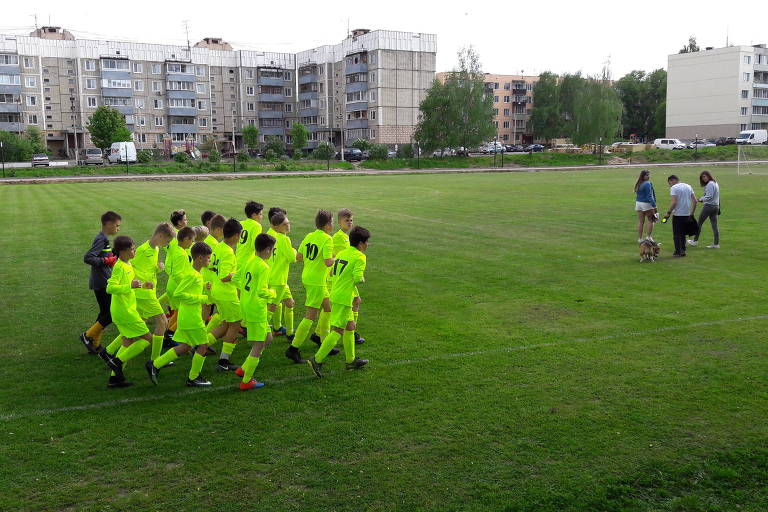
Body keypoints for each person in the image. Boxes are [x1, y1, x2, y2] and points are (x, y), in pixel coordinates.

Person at [146, 242, 215, 387]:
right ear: (200, 258)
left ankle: (155, 364)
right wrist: (201, 298)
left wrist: (204, 287)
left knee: (185, 347)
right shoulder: (192, 275)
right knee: (203, 345)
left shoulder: (196, 273)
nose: (210, 260)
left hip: (186, 316)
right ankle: (193, 377)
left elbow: (190, 290)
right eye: (208, 258)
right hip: (192, 317)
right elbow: (179, 294)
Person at [308, 226, 371, 378]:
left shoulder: (343, 252)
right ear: (361, 244)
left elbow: (332, 271)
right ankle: (316, 360)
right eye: (367, 242)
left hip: (336, 293)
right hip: (343, 298)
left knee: (350, 326)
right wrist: (362, 278)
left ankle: (351, 361)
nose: (368, 245)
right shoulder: (360, 257)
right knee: (337, 330)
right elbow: (357, 278)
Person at [285, 210, 339, 364]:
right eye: (332, 222)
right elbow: (328, 262)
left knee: (328, 308)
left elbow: (299, 256)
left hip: (308, 277)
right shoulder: (327, 239)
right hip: (316, 280)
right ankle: (293, 348)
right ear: (328, 225)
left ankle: (323, 342)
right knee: (310, 315)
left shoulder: (309, 236)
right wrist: (339, 258)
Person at [102, 236, 155, 388]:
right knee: (147, 339)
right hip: (125, 312)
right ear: (123, 251)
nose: (135, 250)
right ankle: (115, 362)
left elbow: (130, 285)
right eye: (132, 248)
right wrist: (129, 285)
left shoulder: (127, 263)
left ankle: (114, 379)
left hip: (125, 309)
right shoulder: (119, 267)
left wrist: (144, 285)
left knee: (127, 343)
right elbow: (110, 288)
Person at [233, 233, 277, 391]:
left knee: (268, 338)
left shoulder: (249, 260)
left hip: (246, 305)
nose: (272, 253)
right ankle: (246, 381)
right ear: (266, 250)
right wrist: (273, 293)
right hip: (256, 309)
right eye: (272, 250)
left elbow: (236, 278)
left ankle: (243, 369)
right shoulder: (263, 266)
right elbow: (262, 292)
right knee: (259, 345)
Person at [131, 222, 175, 361]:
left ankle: (110, 351)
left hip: (149, 293)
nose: (167, 243)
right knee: (163, 322)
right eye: (167, 240)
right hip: (143, 294)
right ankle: (155, 360)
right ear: (160, 235)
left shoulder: (155, 249)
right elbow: (128, 267)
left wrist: (158, 267)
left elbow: (149, 269)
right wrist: (137, 283)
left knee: (135, 324)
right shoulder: (142, 250)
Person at [80, 211, 121, 354]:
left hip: (103, 281)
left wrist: (111, 257)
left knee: (104, 313)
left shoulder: (104, 239)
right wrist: (106, 261)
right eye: (117, 225)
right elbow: (88, 257)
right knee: (110, 314)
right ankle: (87, 336)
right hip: (101, 282)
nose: (118, 228)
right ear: (108, 224)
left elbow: (104, 256)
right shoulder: (101, 239)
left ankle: (95, 345)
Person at [209, 218, 244, 371]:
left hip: (217, 291)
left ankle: (200, 346)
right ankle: (224, 361)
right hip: (226, 294)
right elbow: (224, 276)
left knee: (225, 325)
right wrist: (238, 274)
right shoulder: (229, 252)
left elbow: (211, 266)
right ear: (236, 235)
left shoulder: (219, 247)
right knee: (235, 325)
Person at [332, 208, 365, 345]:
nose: (350, 223)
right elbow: (332, 256)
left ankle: (351, 331)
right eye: (347, 221)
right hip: (341, 278)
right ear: (339, 222)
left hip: (346, 276)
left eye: (351, 220)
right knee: (331, 311)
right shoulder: (337, 238)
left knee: (356, 301)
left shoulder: (347, 237)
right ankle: (349, 332)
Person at [266, 212, 297, 340]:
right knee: (271, 308)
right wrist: (294, 251)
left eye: (288, 223)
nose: (288, 225)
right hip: (279, 281)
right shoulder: (284, 239)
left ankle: (290, 333)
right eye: (285, 224)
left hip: (276, 279)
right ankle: (259, 330)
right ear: (277, 227)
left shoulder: (272, 237)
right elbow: (292, 258)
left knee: (290, 303)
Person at [663, 175, 697, 257]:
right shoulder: (688, 186)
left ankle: (678, 251)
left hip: (678, 214)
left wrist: (668, 213)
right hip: (687, 214)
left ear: (672, 181)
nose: (670, 185)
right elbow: (695, 201)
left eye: (669, 183)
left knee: (677, 234)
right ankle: (683, 250)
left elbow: (674, 202)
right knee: (683, 233)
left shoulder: (674, 188)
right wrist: (692, 213)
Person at [689, 170, 721, 249]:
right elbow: (717, 196)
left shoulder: (710, 184)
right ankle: (716, 244)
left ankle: (695, 241)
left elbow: (709, 196)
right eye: (702, 177)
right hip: (715, 206)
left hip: (709, 207)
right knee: (715, 226)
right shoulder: (715, 183)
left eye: (704, 176)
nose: (703, 179)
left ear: (708, 175)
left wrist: (700, 199)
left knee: (699, 223)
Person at [236, 201, 263, 269]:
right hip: (248, 262)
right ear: (254, 215)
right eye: (260, 214)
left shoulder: (241, 223)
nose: (262, 216)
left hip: (237, 259)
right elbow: (255, 246)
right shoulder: (257, 226)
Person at [634, 170, 657, 242]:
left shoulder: (639, 183)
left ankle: (640, 239)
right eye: (647, 175)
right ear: (643, 176)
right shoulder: (647, 183)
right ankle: (649, 237)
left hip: (638, 203)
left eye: (649, 175)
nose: (648, 176)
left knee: (641, 222)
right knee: (651, 220)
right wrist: (654, 205)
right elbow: (649, 196)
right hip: (646, 204)